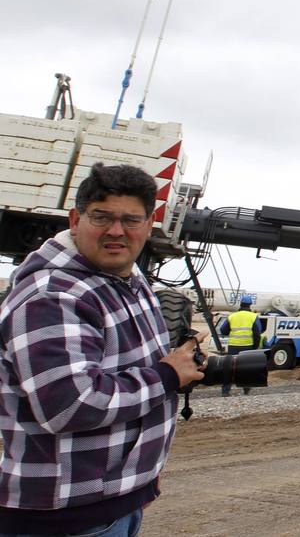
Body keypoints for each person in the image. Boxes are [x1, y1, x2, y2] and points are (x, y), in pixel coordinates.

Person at [0, 163, 205, 536]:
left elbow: (136, 368)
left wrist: (179, 370)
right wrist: (166, 376)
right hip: (65, 518)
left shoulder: (128, 279)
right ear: (75, 219)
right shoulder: (53, 296)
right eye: (102, 217)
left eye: (131, 220)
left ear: (148, 224)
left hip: (113, 503)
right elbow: (69, 404)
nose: (116, 231)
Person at [218, 293, 262, 396]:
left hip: (233, 346)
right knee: (246, 368)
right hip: (247, 346)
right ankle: (246, 389)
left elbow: (223, 330)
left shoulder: (232, 316)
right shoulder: (253, 317)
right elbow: (257, 333)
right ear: (250, 305)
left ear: (240, 304)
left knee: (229, 368)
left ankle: (225, 391)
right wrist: (255, 347)